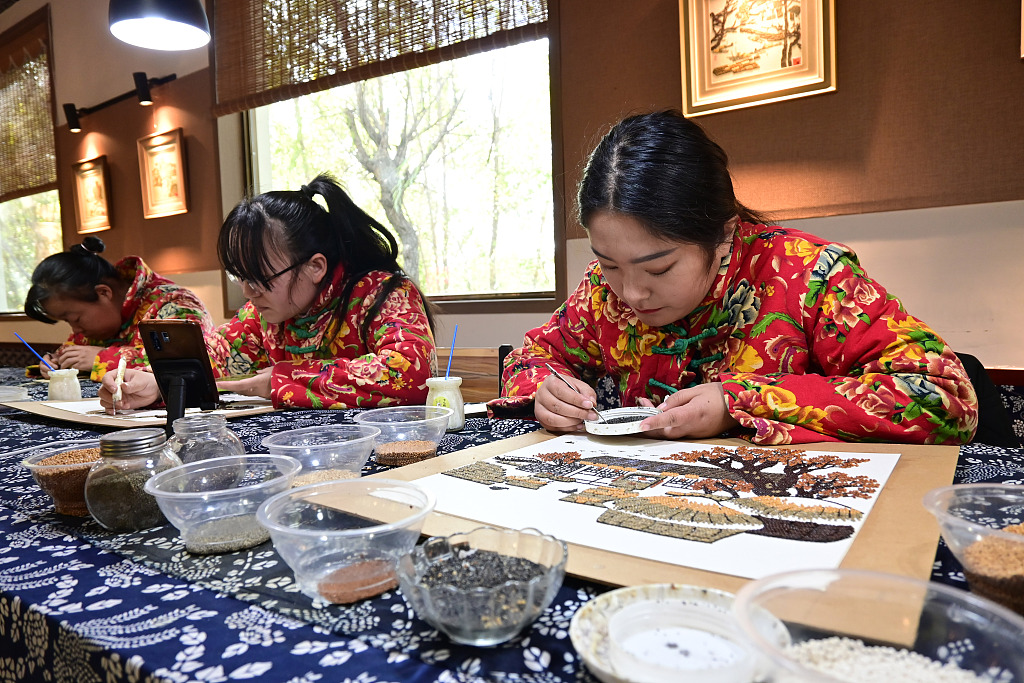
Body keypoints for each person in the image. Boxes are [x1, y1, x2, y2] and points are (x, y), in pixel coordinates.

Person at [489, 110, 978, 445]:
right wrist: (545, 391)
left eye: (659, 268)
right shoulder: (603, 293)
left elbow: (944, 399)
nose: (631, 293)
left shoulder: (808, 274)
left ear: (723, 235)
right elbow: (534, 355)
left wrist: (740, 401)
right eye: (609, 263)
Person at [101, 173, 437, 411]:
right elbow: (211, 359)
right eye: (241, 276)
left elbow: (410, 374)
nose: (249, 293)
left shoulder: (383, 294)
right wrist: (153, 382)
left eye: (261, 278)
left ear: (315, 267)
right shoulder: (262, 314)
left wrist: (281, 380)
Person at [24, 237, 214, 381]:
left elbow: (194, 362)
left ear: (104, 293)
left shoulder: (176, 303)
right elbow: (73, 352)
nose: (75, 330)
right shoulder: (95, 325)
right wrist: (54, 363)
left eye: (75, 318)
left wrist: (102, 359)